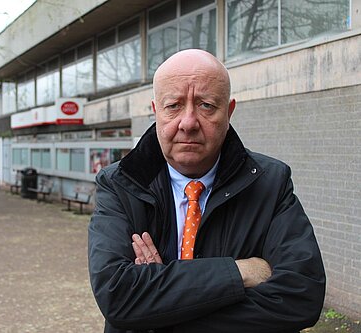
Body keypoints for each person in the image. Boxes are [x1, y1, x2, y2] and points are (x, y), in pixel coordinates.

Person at [88, 49, 326, 333]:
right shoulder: (119, 184)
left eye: (206, 105)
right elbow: (118, 297)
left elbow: (301, 297)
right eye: (174, 105)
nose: (188, 122)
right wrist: (239, 272)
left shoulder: (270, 183)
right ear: (156, 111)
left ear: (229, 111)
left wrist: (157, 309)